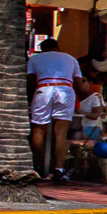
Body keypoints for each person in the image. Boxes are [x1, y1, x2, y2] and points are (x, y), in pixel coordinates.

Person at [26, 34, 80, 178]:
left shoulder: (35, 59)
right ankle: (59, 169)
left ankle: (35, 167)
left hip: (44, 88)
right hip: (66, 90)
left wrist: (31, 98)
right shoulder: (70, 59)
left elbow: (30, 82)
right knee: (61, 133)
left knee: (38, 130)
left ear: (42, 49)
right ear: (58, 48)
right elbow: (79, 84)